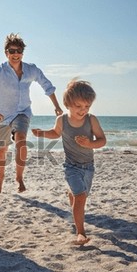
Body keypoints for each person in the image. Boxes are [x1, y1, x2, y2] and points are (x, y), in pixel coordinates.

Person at [0, 33, 63, 193]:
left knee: (21, 139)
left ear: (22, 52)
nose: (16, 54)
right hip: (2, 115)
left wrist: (56, 106)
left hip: (23, 112)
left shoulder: (31, 70)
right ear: (6, 52)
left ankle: (19, 178)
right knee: (2, 150)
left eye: (19, 51)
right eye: (12, 51)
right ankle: (0, 178)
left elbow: (47, 86)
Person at [32, 79, 106, 245]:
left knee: (80, 195)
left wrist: (89, 144)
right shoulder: (62, 120)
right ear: (68, 104)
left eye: (87, 106)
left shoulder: (91, 120)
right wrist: (42, 133)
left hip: (88, 167)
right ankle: (80, 233)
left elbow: (102, 140)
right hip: (71, 166)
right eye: (79, 106)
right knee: (80, 197)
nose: (83, 110)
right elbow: (56, 133)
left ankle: (72, 194)